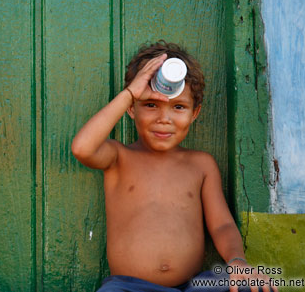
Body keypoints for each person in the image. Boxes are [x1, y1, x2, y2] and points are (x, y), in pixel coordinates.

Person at [71, 42, 277, 292]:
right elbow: (82, 148)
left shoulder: (201, 165)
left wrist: (237, 261)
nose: (163, 119)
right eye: (150, 104)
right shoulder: (119, 157)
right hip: (128, 286)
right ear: (131, 108)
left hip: (194, 286)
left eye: (178, 107)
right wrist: (131, 92)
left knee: (252, 287)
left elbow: (222, 224)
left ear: (194, 112)